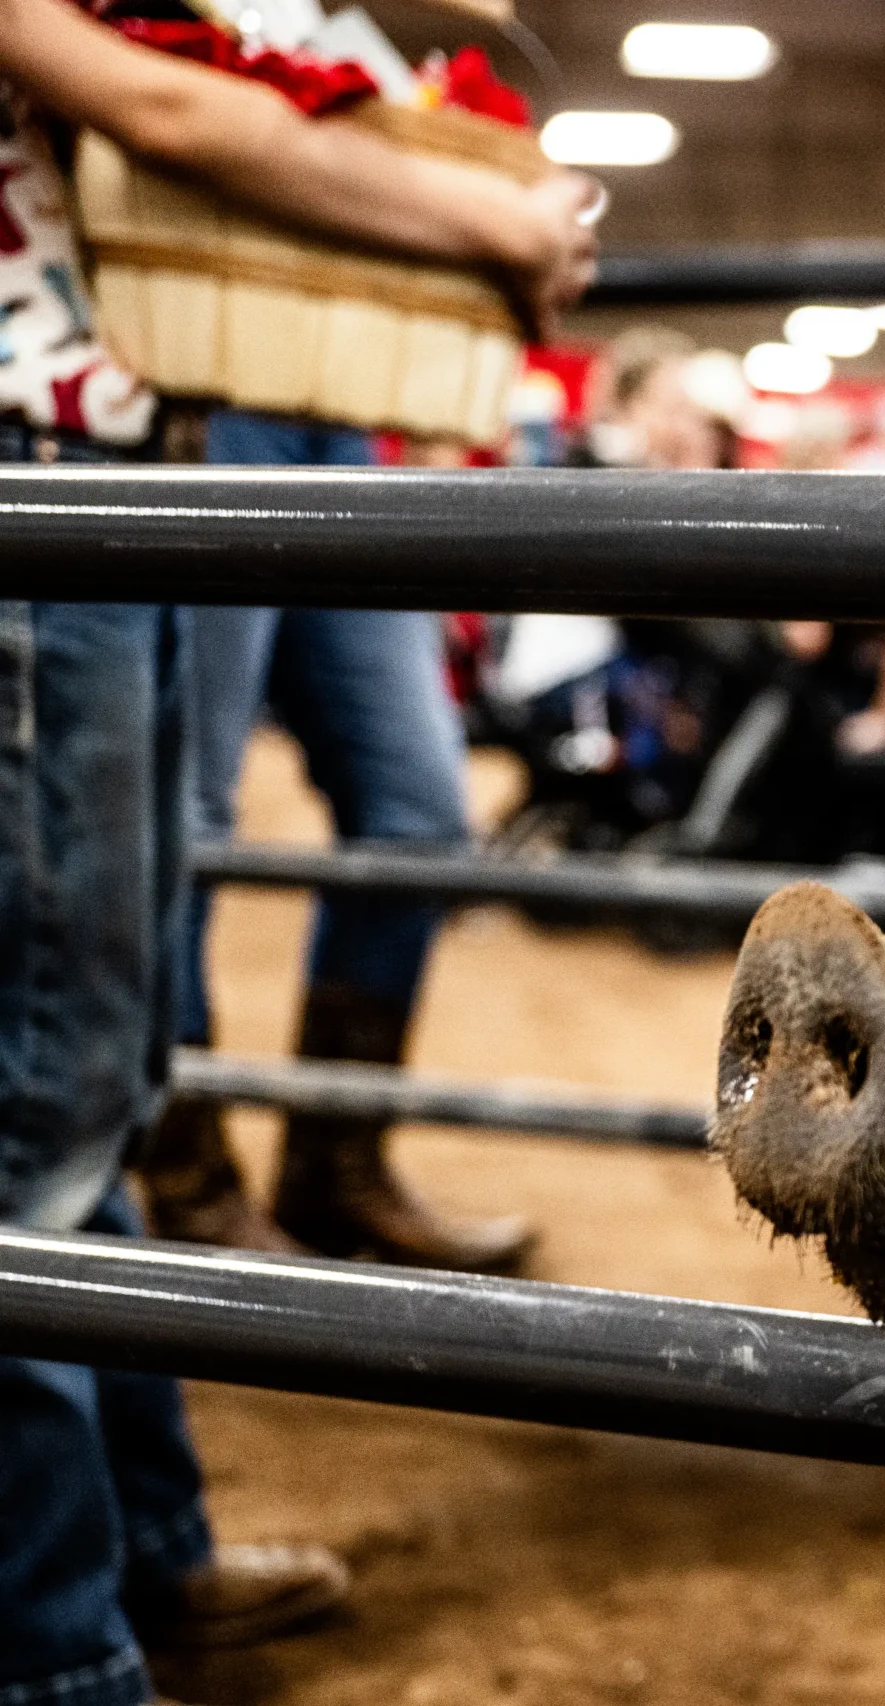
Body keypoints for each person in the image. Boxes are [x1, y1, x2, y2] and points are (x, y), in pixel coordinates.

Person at [0, 0, 593, 1698]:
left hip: (99, 445)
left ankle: (133, 1557)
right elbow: (158, 107)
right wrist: (496, 217)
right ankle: (56, 1651)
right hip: (39, 451)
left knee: (79, 1079)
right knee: (43, 1106)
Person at [132, 11, 598, 1271]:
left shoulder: (363, 41)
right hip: (195, 386)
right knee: (185, 813)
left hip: (335, 412)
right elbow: (200, 135)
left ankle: (336, 1156)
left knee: (418, 804)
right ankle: (179, 1171)